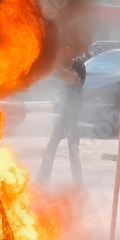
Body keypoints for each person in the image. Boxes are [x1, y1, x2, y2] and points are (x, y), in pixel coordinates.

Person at [39, 46, 86, 185]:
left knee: (72, 152)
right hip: (65, 117)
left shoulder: (78, 66)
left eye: (68, 48)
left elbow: (72, 82)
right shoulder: (67, 68)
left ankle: (77, 183)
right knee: (52, 148)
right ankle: (43, 178)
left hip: (72, 119)